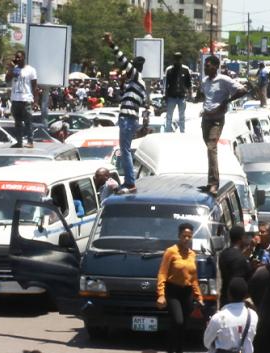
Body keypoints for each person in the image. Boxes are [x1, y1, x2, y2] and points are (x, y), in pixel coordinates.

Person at [196, 55, 247, 195]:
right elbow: (203, 96)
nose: (205, 68)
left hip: (217, 119)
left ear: (215, 66)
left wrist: (226, 101)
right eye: (205, 65)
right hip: (206, 118)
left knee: (212, 147)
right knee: (209, 148)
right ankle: (210, 182)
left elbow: (242, 90)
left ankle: (213, 184)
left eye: (207, 65)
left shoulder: (224, 80)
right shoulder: (205, 81)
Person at [103, 32, 146, 194]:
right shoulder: (135, 84)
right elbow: (126, 99)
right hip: (128, 118)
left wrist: (111, 44)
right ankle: (129, 181)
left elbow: (123, 61)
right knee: (125, 149)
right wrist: (123, 85)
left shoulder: (136, 77)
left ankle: (129, 182)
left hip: (128, 119)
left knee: (125, 150)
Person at [156, 223, 204, 353]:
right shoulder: (171, 251)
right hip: (173, 291)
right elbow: (162, 273)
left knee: (183, 325)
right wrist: (161, 294)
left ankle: (178, 350)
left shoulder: (192, 255)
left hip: (187, 292)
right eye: (184, 236)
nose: (187, 239)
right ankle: (170, 349)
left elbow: (193, 278)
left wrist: (199, 296)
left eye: (189, 236)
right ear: (179, 236)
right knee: (177, 321)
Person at [204, 278, 258, 353]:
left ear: (229, 294)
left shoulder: (218, 318)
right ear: (246, 295)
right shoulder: (253, 316)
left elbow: (206, 343)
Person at [6, 50, 38, 148]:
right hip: (15, 99)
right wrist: (11, 69)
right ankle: (19, 142)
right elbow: (7, 80)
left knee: (28, 122)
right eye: (16, 57)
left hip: (26, 99)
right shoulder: (14, 69)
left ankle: (30, 141)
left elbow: (34, 86)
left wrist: (36, 101)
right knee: (17, 122)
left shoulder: (31, 70)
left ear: (24, 58)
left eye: (19, 57)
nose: (17, 59)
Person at [219, 225, 253, 307]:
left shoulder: (224, 254)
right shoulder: (240, 259)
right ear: (241, 238)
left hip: (224, 300)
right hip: (235, 304)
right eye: (245, 236)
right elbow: (238, 283)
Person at [164, 52, 192, 133]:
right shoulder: (169, 69)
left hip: (181, 97)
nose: (177, 60)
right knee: (169, 116)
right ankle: (167, 132)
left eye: (179, 58)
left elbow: (189, 83)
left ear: (181, 59)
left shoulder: (185, 69)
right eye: (176, 58)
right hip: (171, 97)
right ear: (174, 59)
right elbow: (166, 84)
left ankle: (182, 132)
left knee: (182, 116)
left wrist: (190, 94)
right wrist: (165, 95)